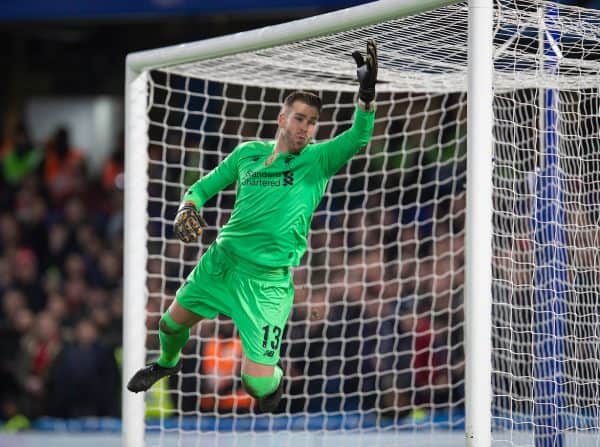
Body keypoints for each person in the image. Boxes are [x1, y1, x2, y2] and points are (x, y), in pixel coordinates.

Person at [127, 40, 378, 413]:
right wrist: (188, 207)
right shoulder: (248, 154)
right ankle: (167, 363)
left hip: (267, 284)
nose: (305, 128)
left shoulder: (318, 160)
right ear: (282, 119)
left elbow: (358, 136)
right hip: (222, 261)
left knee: (256, 384)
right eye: (299, 118)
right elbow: (201, 188)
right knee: (168, 326)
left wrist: (366, 97)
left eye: (312, 122)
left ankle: (274, 380)